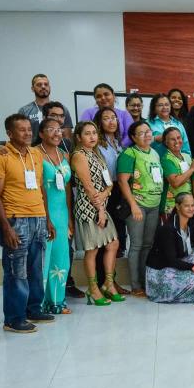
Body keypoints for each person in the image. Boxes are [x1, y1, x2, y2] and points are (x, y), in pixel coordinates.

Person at [0, 114, 56, 332]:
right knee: (16, 271)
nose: (27, 133)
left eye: (29, 129)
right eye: (21, 129)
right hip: (15, 219)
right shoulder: (0, 156)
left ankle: (33, 309)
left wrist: (47, 219)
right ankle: (14, 318)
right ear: (9, 133)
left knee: (36, 269)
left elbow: (41, 187)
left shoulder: (36, 154)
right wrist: (6, 226)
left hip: (39, 218)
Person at [71, 121, 125, 306]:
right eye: (87, 133)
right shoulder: (79, 155)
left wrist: (105, 193)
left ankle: (108, 284)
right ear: (78, 137)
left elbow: (108, 183)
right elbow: (88, 187)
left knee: (113, 244)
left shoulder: (96, 153)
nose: (92, 136)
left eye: (94, 132)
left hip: (101, 204)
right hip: (88, 207)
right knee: (92, 249)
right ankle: (93, 289)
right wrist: (100, 209)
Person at [117, 120, 164, 297]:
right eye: (142, 133)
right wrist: (133, 205)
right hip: (138, 205)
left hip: (154, 204)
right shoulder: (129, 153)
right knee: (136, 245)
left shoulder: (154, 153)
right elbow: (122, 181)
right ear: (133, 137)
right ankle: (135, 285)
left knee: (148, 245)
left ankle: (145, 282)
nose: (147, 135)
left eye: (148, 131)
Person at [146, 193, 194, 303]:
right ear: (177, 206)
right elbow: (171, 260)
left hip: (179, 259)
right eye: (187, 206)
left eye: (192, 205)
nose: (191, 209)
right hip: (162, 270)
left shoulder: (190, 220)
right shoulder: (168, 229)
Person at [37, 119, 73, 314]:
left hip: (62, 214)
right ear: (41, 133)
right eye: (51, 129)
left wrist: (69, 219)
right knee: (44, 261)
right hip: (43, 213)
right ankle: (39, 304)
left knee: (61, 258)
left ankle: (57, 301)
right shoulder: (35, 153)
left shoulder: (64, 154)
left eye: (59, 130)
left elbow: (67, 189)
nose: (56, 133)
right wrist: (46, 218)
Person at [96, 107, 128, 260]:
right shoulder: (97, 144)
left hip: (119, 187)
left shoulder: (117, 142)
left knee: (119, 221)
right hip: (105, 188)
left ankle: (119, 253)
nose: (111, 121)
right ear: (99, 123)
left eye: (114, 118)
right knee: (107, 226)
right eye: (106, 118)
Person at [18, 73, 74, 141]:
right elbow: (20, 136)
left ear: (49, 87)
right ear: (32, 89)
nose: (43, 87)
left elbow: (67, 137)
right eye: (39, 85)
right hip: (32, 147)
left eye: (46, 84)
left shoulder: (61, 109)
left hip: (57, 146)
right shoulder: (24, 111)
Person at [160, 127, 194, 214]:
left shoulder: (187, 156)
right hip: (171, 206)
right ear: (166, 142)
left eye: (178, 138)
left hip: (188, 204)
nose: (177, 141)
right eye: (172, 139)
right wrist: (191, 169)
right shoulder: (166, 159)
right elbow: (175, 183)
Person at [148, 93, 190, 158]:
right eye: (160, 105)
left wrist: (187, 159)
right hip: (156, 160)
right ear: (154, 108)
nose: (164, 107)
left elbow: (185, 146)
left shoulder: (178, 124)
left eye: (167, 104)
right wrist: (155, 138)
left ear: (170, 106)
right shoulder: (148, 124)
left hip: (177, 162)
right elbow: (141, 142)